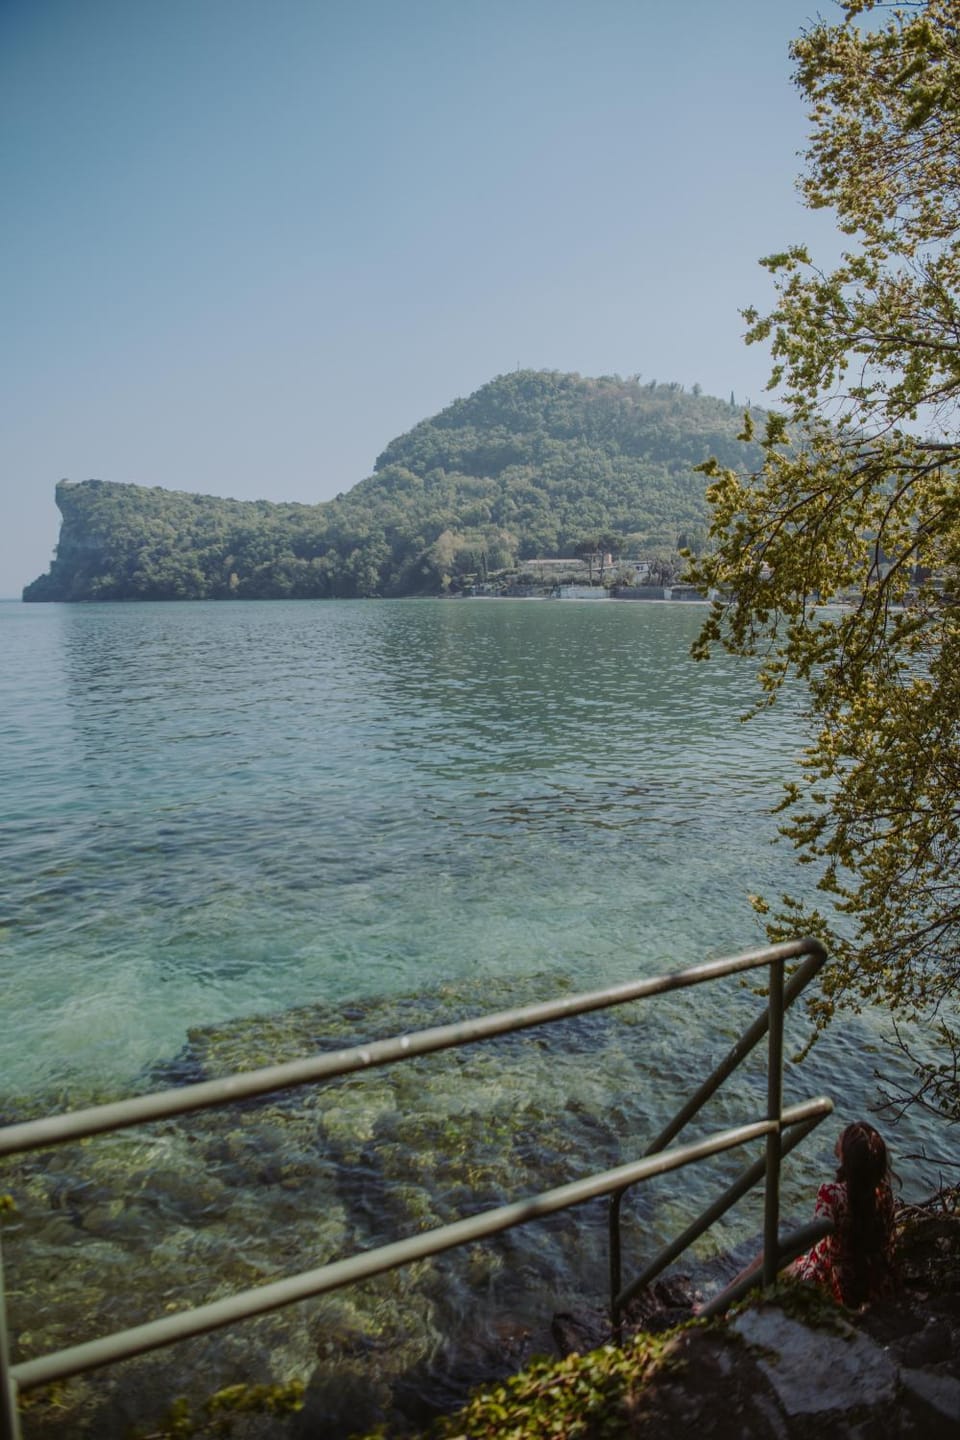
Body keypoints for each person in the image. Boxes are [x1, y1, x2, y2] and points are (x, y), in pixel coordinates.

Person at [790, 1120, 897, 1307]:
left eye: (842, 1137)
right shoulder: (883, 1192)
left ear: (847, 1155)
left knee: (768, 1259)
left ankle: (732, 1300)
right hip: (874, 1279)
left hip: (835, 1283)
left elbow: (813, 1237)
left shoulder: (831, 1194)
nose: (838, 1138)